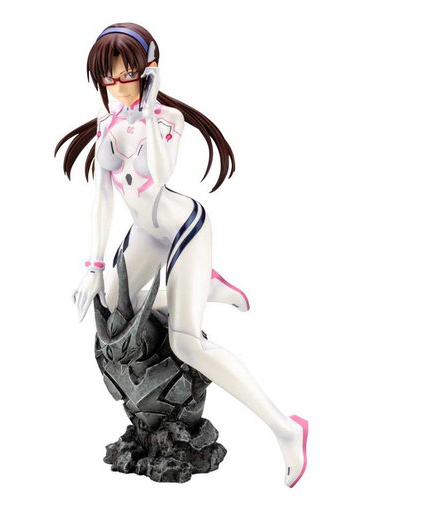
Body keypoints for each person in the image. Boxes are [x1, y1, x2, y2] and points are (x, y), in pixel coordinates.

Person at [55, 22, 308, 487]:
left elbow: (161, 170)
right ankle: (199, 288)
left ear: (149, 70)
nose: (117, 86)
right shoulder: (107, 122)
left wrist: (150, 109)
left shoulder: (168, 119)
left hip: (183, 228)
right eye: (108, 77)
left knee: (186, 343)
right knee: (112, 305)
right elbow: (103, 199)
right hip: (146, 234)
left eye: (127, 74)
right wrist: (93, 265)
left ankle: (286, 429)